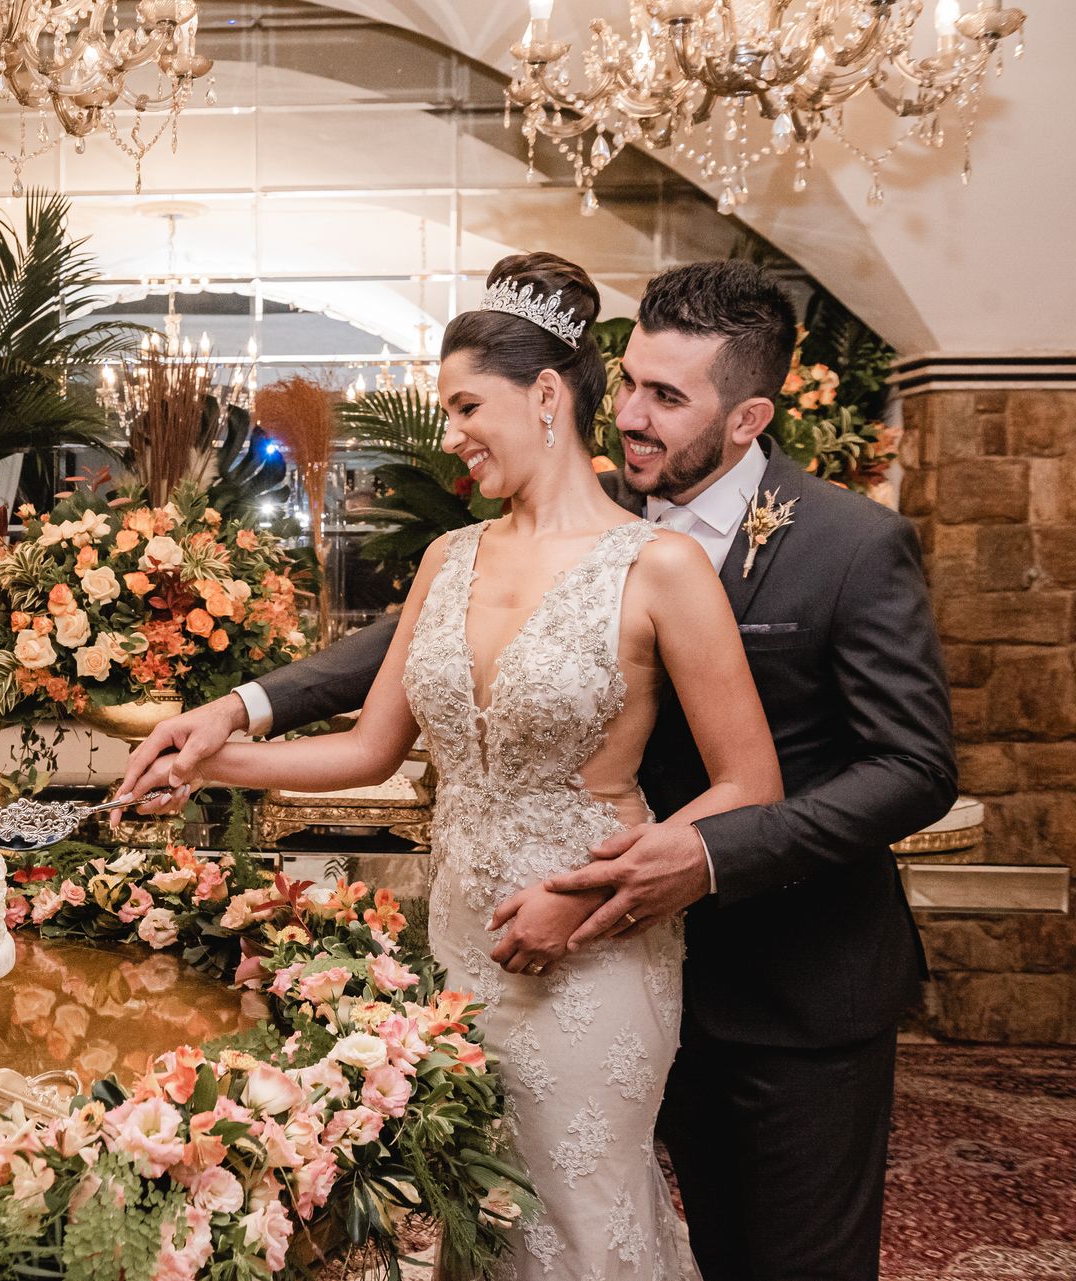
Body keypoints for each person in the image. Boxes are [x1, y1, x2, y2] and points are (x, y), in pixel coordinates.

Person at [119, 258, 957, 1281]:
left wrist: (680, 865)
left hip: (776, 972)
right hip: (504, 938)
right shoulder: (520, 534)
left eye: (666, 397)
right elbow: (407, 653)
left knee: (771, 1257)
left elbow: (912, 766)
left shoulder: (843, 544)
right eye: (632, 381)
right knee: (539, 1218)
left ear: (746, 419)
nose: (632, 416)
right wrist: (228, 723)